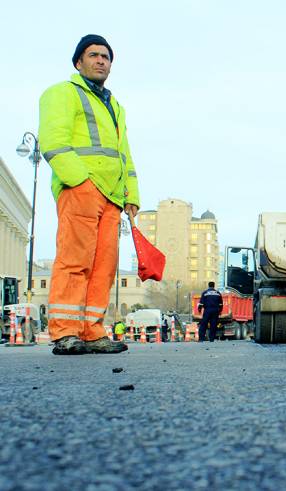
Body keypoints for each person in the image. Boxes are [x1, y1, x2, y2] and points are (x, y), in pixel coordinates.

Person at [39, 35, 139, 355]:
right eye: (93, 55)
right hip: (82, 188)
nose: (100, 61)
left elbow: (124, 154)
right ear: (78, 62)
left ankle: (92, 331)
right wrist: (79, 182)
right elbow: (53, 141)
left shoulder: (115, 106)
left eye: (106, 57)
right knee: (75, 260)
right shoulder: (62, 93)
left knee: (103, 268)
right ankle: (66, 331)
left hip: (111, 197)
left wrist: (131, 195)